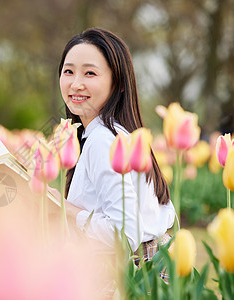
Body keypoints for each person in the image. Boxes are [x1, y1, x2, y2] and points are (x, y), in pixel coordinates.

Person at [57, 28, 175, 257]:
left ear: (118, 83)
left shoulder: (102, 140)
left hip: (133, 278)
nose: (76, 84)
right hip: (156, 266)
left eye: (89, 73)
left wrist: (63, 209)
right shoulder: (118, 133)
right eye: (68, 71)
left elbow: (125, 236)